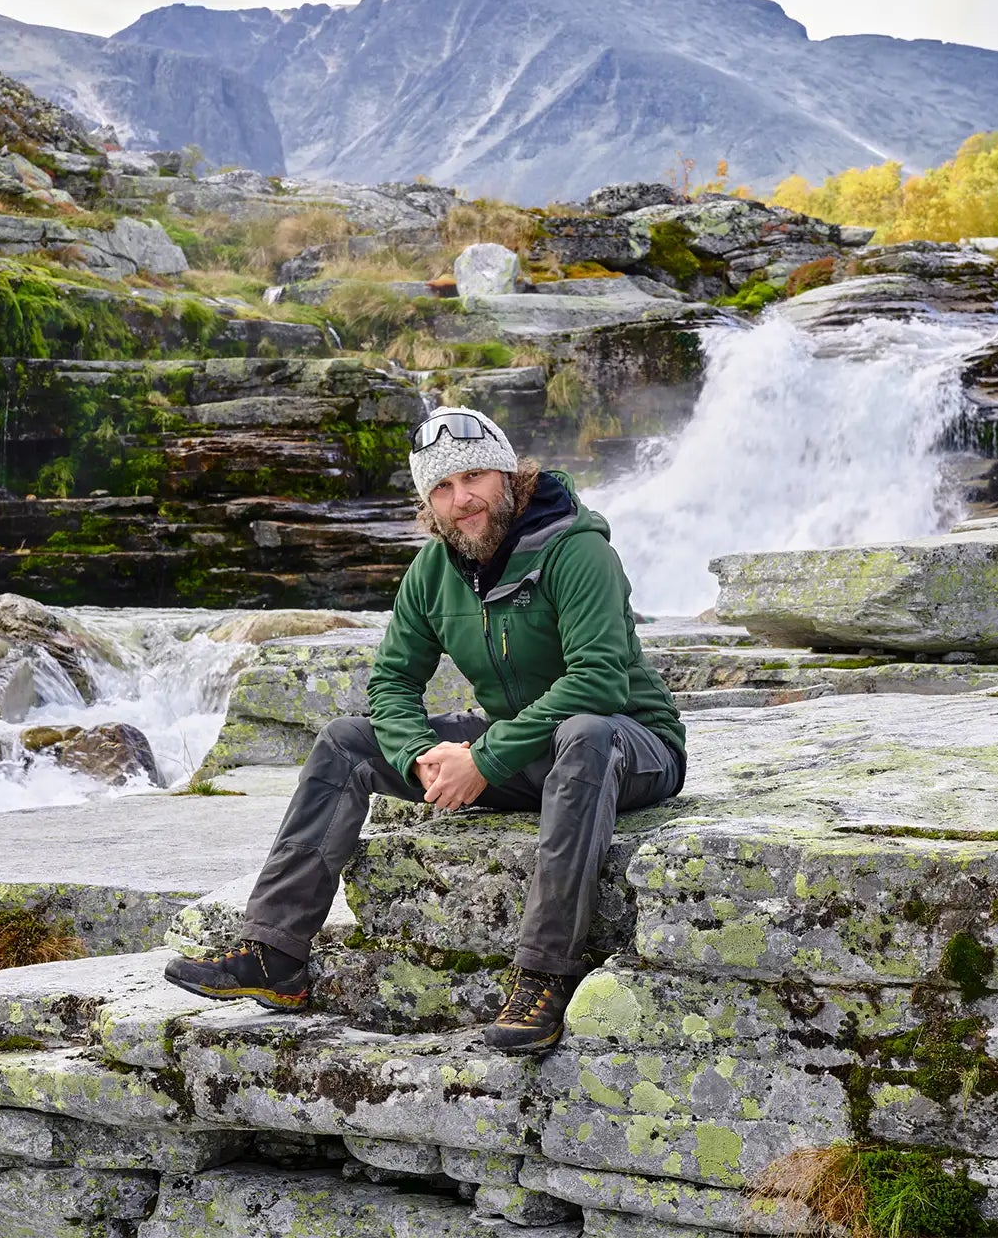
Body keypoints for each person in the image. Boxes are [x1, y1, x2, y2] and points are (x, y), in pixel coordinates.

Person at [165, 406, 687, 1052]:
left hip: (630, 744)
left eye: (473, 478)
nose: (461, 498)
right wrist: (418, 755)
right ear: (428, 504)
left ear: (509, 477)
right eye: (441, 487)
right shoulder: (433, 571)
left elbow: (599, 684)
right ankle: (275, 956)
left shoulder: (577, 550)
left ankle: (543, 975)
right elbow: (390, 684)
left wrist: (486, 759)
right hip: (532, 751)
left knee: (583, 731)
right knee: (346, 741)